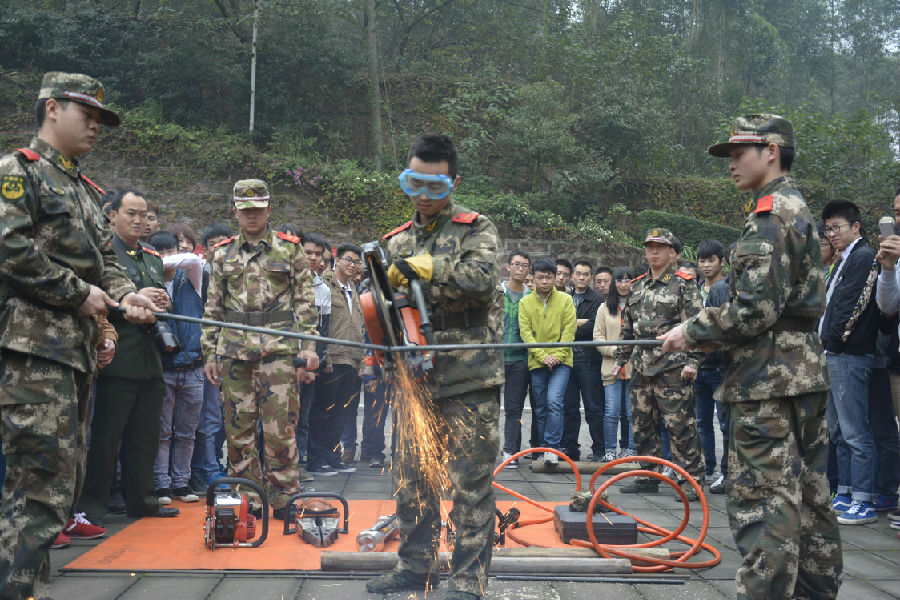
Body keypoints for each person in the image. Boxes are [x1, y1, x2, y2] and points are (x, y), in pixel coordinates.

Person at [659, 114, 842, 599]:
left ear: (772, 151)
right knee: (809, 498)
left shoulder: (771, 215)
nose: (731, 164)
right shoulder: (797, 208)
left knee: (764, 502)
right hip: (801, 373)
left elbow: (754, 309)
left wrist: (690, 330)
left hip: (767, 381)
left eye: (740, 153)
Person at [0, 72, 159, 600]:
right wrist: (77, 293)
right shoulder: (19, 171)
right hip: (34, 350)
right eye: (85, 114)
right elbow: (11, 250)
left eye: (100, 119)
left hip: (73, 352)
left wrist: (125, 294)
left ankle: (28, 585)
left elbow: (105, 261)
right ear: (51, 109)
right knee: (37, 482)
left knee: (61, 482)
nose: (94, 125)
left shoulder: (83, 189)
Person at [366, 133, 501, 600]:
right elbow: (382, 311)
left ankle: (467, 581)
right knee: (412, 478)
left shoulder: (476, 229)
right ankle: (415, 566)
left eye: (435, 186)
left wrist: (425, 267)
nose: (424, 196)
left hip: (469, 377)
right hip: (414, 379)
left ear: (453, 183)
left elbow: (481, 280)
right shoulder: (393, 242)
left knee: (470, 484)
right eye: (414, 183)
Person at [202, 179, 320, 520]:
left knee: (281, 428)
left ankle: (284, 497)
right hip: (235, 354)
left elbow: (305, 303)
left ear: (269, 209)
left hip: (279, 352)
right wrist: (210, 353)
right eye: (244, 211)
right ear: (235, 212)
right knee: (238, 430)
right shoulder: (222, 253)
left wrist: (309, 347)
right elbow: (213, 308)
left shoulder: (290, 250)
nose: (251, 216)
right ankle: (246, 498)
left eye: (257, 210)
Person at [81, 190, 180, 523]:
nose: (139, 220)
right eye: (131, 214)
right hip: (117, 358)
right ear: (113, 216)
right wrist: (132, 303)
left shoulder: (151, 258)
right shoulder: (103, 254)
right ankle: (93, 506)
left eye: (144, 214)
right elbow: (98, 302)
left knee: (145, 438)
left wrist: (161, 302)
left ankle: (143, 500)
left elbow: (164, 303)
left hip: (151, 359)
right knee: (106, 440)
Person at [612, 228, 705, 500]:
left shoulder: (684, 284)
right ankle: (647, 475)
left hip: (673, 366)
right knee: (642, 424)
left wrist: (694, 362)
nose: (653, 251)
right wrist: (620, 359)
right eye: (649, 247)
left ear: (671, 252)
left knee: (680, 425)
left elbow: (696, 326)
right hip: (642, 366)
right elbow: (627, 327)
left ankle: (692, 480)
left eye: (659, 247)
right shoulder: (638, 284)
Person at [819, 200, 880, 524]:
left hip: (850, 354)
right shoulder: (845, 260)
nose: (832, 235)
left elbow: (852, 305)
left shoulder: (864, 257)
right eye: (828, 229)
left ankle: (864, 499)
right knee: (838, 431)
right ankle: (844, 490)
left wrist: (834, 342)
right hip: (834, 353)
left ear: (856, 226)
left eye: (837, 228)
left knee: (856, 431)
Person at [147, 231, 205, 505]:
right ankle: (161, 485)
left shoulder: (190, 277)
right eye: (162, 253)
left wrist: (158, 261)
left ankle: (181, 483)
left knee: (187, 431)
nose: (170, 259)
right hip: (164, 366)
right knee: (161, 432)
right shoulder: (148, 284)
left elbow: (193, 259)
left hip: (193, 365)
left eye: (172, 252)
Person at [307, 243, 365, 476]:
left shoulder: (353, 288)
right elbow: (321, 324)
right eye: (348, 260)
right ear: (337, 260)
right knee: (323, 411)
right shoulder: (325, 285)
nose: (352, 265)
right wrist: (325, 355)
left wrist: (362, 359)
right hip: (333, 358)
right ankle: (316, 459)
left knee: (343, 412)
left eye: (356, 262)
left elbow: (359, 325)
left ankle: (333, 456)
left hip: (352, 359)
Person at [518, 257, 577, 466]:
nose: (545, 281)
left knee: (554, 402)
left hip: (562, 362)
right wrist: (543, 357)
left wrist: (557, 357)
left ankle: (552, 448)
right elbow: (526, 334)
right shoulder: (525, 303)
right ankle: (542, 448)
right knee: (540, 406)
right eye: (540, 277)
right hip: (537, 362)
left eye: (549, 277)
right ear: (533, 278)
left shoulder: (566, 300)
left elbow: (569, 331)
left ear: (555, 278)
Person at [561, 259, 605, 461]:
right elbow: (558, 325)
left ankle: (599, 449)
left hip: (589, 360)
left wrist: (570, 326)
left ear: (591, 278)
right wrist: (576, 324)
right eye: (577, 273)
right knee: (569, 406)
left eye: (585, 274)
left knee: (593, 407)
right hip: (567, 359)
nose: (581, 277)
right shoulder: (564, 297)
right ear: (572, 276)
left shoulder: (597, 299)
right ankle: (570, 448)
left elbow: (594, 328)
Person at [594, 267, 635, 461]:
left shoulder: (638, 305)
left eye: (628, 280)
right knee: (611, 412)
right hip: (611, 368)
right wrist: (616, 352)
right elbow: (597, 337)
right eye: (619, 280)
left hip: (635, 368)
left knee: (632, 412)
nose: (623, 284)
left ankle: (631, 450)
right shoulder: (604, 308)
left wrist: (628, 355)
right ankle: (610, 451)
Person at [694, 239, 726, 483]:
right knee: (702, 421)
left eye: (710, 260)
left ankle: (727, 472)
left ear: (722, 262)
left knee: (725, 422)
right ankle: (707, 468)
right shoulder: (693, 290)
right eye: (702, 261)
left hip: (720, 366)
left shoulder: (727, 289)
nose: (706, 265)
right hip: (696, 365)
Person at [500, 250, 532, 468]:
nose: (520, 269)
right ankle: (484, 449)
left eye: (525, 266)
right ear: (508, 267)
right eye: (516, 264)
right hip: (494, 358)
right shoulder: (496, 293)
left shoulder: (530, 297)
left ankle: (510, 451)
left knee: (514, 407)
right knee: (488, 408)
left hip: (520, 359)